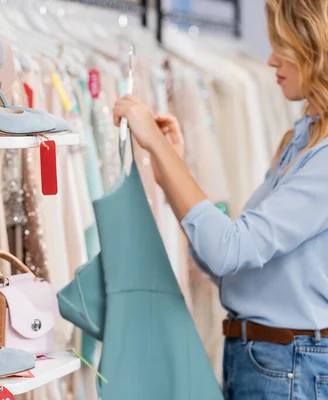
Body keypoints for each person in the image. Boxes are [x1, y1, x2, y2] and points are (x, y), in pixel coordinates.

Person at [112, 0, 328, 399]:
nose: (269, 61)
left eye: (283, 45)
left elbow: (230, 250)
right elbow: (229, 263)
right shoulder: (302, 139)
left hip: (289, 366)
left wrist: (157, 147)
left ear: (315, 48)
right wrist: (173, 170)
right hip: (267, 361)